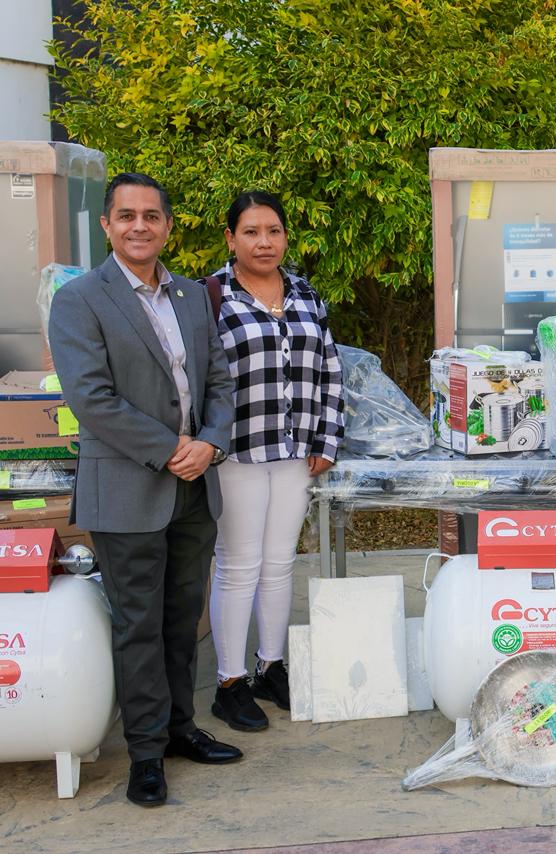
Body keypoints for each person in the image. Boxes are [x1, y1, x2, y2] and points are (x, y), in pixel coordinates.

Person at [48, 173, 241, 808]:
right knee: (138, 626)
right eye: (126, 215)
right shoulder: (80, 300)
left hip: (194, 485)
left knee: (183, 621)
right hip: (131, 486)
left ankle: (181, 728)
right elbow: (92, 399)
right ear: (106, 225)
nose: (139, 225)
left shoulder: (190, 295)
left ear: (166, 225)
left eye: (151, 215)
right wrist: (171, 450)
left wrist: (211, 440)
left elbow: (218, 377)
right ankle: (146, 752)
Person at [206, 191, 344, 732]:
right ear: (231, 239)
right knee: (238, 565)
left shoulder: (306, 295)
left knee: (280, 562)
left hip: (295, 451)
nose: (264, 242)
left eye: (274, 231)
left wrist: (326, 440)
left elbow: (329, 370)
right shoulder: (210, 298)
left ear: (285, 237)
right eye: (251, 231)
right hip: (237, 451)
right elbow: (200, 380)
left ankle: (270, 665)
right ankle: (229, 681)